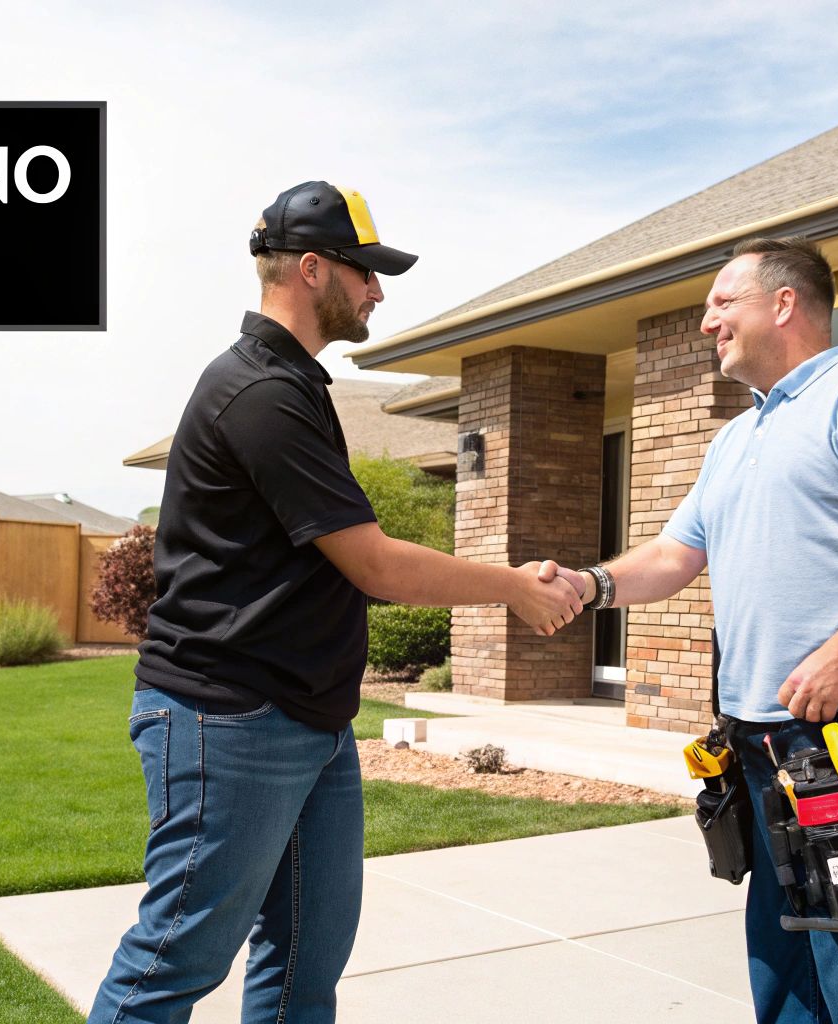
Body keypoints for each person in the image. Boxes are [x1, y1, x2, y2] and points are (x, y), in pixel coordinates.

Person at [88, 181, 583, 1024]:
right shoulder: (260, 394)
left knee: (304, 967)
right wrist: (513, 590)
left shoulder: (296, 385)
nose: (378, 291)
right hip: (228, 717)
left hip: (307, 720)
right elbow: (375, 564)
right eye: (367, 272)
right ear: (313, 270)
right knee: (176, 960)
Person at [551, 236, 838, 1024]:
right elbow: (677, 555)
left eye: (723, 302)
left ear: (783, 303)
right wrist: (590, 585)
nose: (708, 321)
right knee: (781, 970)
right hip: (758, 739)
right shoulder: (735, 438)